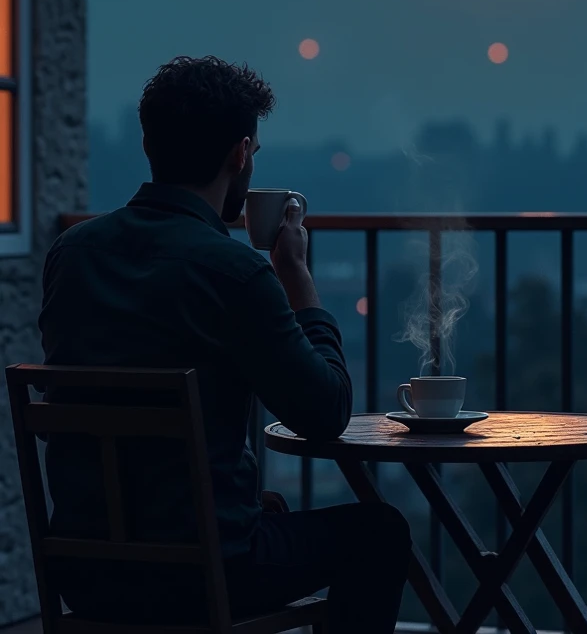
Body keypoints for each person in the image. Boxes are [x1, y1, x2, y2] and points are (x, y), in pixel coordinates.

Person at [39, 55, 411, 633]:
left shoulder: (72, 254)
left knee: (268, 515)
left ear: (148, 143)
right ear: (240, 154)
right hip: (202, 571)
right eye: (253, 153)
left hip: (85, 570)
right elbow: (326, 411)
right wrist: (296, 278)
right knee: (380, 532)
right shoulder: (234, 274)